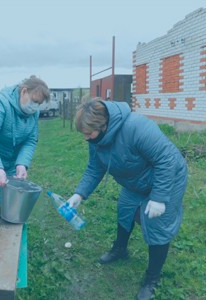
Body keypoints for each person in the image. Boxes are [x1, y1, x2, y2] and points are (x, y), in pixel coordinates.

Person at [67, 98, 188, 300]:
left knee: (157, 223)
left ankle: (152, 278)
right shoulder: (96, 139)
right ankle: (120, 249)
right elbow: (95, 167)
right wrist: (79, 194)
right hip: (135, 180)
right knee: (125, 209)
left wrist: (159, 197)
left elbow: (166, 161)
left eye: (88, 133)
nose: (86, 138)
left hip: (168, 177)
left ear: (104, 125)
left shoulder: (137, 127)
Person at [0, 75, 50, 216]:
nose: (35, 107)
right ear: (24, 91)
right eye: (34, 101)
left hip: (10, 163)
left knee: (10, 202)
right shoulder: (1, 103)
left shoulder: (34, 113)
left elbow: (30, 140)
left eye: (39, 104)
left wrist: (22, 164)